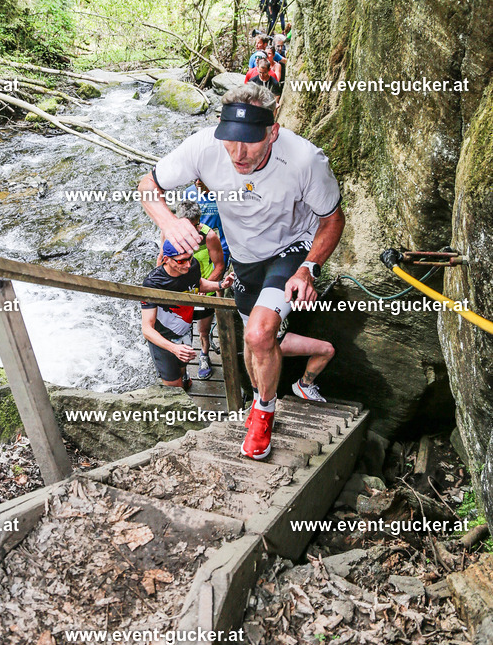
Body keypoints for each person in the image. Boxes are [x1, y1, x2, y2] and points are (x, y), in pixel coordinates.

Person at [137, 82, 345, 461]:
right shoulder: (203, 146)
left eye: (250, 142)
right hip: (245, 259)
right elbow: (147, 185)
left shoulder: (305, 160)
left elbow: (332, 219)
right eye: (231, 140)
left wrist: (308, 269)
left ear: (273, 132)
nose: (238, 153)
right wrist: (168, 223)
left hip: (291, 250)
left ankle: (264, 413)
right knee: (254, 342)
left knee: (259, 331)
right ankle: (257, 399)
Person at [141, 241, 231, 390]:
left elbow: (197, 284)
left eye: (189, 258)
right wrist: (173, 348)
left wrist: (220, 285)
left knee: (182, 368)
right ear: (166, 260)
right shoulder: (153, 283)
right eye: (181, 261)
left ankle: (185, 378)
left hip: (185, 331)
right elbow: (147, 329)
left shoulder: (192, 266)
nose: (188, 265)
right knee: (174, 387)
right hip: (163, 340)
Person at [176, 199, 224, 379]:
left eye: (196, 225)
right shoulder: (171, 234)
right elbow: (162, 261)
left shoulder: (209, 236)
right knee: (182, 330)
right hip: (182, 291)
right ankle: (182, 368)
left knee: (203, 331)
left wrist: (206, 286)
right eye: (189, 226)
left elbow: (219, 266)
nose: (194, 231)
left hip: (205, 289)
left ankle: (204, 356)